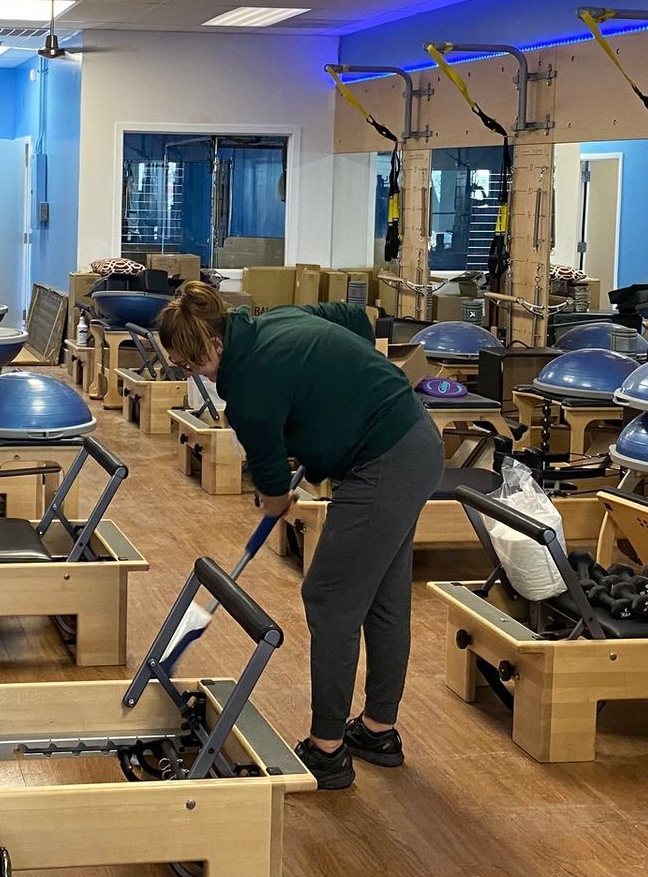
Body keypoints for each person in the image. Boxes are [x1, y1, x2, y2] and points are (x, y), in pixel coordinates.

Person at [156, 281, 441, 789]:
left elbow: (270, 482)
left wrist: (277, 498)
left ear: (214, 345)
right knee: (381, 597)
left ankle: (327, 749)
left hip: (384, 462)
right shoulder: (276, 318)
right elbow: (354, 319)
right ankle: (377, 731)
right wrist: (334, 394)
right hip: (413, 441)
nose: (190, 374)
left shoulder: (248, 388)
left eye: (190, 365)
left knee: (329, 597)